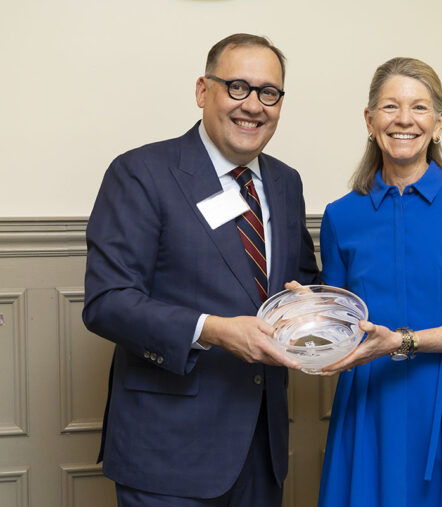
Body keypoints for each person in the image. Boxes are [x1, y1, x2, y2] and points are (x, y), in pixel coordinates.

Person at [82, 33, 319, 506]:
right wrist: (212, 330)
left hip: (261, 450)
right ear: (201, 91)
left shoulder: (285, 182)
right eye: (237, 87)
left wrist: (309, 305)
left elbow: (300, 278)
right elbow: (106, 303)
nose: (253, 105)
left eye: (268, 93)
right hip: (168, 454)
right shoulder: (141, 173)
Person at [316, 57, 442, 507]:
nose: (404, 119)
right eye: (390, 107)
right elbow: (340, 331)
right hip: (369, 399)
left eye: (419, 108)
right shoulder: (341, 216)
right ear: (369, 121)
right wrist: (310, 316)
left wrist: (402, 341)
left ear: (438, 124)